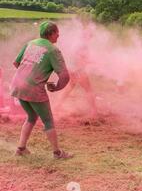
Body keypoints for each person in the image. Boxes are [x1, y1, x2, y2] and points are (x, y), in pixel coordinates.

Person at [11, 21, 72, 159]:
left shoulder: (30, 43)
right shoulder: (53, 50)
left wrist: (28, 74)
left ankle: (21, 149)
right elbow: (65, 76)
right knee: (48, 121)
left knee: (31, 117)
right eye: (57, 32)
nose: (59, 35)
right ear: (50, 34)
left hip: (18, 84)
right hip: (33, 88)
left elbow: (16, 63)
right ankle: (57, 153)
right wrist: (56, 88)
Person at [56, 18, 97, 116]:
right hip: (77, 70)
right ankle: (94, 111)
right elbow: (79, 58)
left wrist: (89, 61)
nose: (91, 37)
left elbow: (78, 57)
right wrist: (91, 62)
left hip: (72, 69)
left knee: (70, 87)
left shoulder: (79, 43)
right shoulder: (82, 45)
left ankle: (57, 106)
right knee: (88, 89)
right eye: (90, 35)